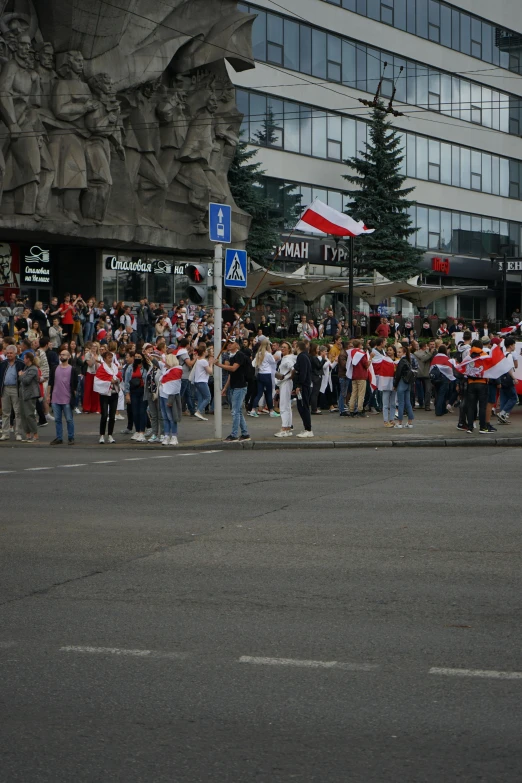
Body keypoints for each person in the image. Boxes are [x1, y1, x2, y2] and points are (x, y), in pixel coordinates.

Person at [215, 338, 251, 443]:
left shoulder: (239, 355)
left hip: (240, 386)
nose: (229, 345)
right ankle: (245, 433)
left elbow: (233, 368)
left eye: (232, 343)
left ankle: (234, 434)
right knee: (238, 411)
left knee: (235, 411)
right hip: (235, 386)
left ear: (237, 345)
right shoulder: (232, 357)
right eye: (228, 343)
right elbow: (231, 375)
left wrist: (219, 365)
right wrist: (225, 388)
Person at [48, 349, 78, 445]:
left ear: (69, 357)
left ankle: (71, 437)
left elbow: (75, 386)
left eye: (64, 355)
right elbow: (50, 383)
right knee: (57, 419)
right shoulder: (54, 368)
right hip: (56, 398)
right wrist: (48, 395)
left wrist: (74, 398)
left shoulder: (72, 369)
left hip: (67, 399)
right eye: (60, 355)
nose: (62, 356)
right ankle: (59, 437)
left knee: (69, 419)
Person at [94, 351, 122, 443]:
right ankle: (102, 435)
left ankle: (110, 434)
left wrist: (116, 380)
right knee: (104, 415)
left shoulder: (115, 367)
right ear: (105, 358)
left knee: (112, 415)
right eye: (109, 357)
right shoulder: (102, 368)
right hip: (105, 394)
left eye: (111, 357)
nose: (110, 359)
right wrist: (110, 381)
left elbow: (119, 377)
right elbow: (98, 380)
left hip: (114, 393)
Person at [464, 340, 489, 434]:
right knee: (482, 407)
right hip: (482, 382)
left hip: (471, 383)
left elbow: (464, 368)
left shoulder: (468, 356)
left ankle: (470, 427)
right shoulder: (485, 355)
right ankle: (482, 427)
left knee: (471, 406)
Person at [250, 337, 279, 419]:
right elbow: (273, 362)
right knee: (269, 393)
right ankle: (271, 411)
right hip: (267, 374)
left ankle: (253, 410)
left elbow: (253, 364)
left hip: (260, 374)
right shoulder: (268, 354)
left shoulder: (258, 354)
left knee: (259, 393)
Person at [0, 344, 24, 440]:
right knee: (5, 412)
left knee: (18, 412)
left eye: (11, 353)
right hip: (5, 388)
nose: (9, 355)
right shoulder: (2, 364)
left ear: (15, 353)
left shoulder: (21, 363)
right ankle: (5, 433)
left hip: (16, 389)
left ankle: (18, 433)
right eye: (8, 353)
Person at [273, 341, 296, 438]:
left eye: (284, 347)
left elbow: (293, 369)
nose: (282, 349)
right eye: (281, 347)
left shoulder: (287, 359)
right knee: (286, 406)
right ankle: (288, 427)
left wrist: (288, 377)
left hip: (285, 383)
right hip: (285, 383)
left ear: (289, 349)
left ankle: (284, 428)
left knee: (283, 406)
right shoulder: (287, 358)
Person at [159, 354, 182, 446]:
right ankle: (166, 435)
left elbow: (174, 388)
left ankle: (174, 436)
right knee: (165, 417)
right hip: (162, 395)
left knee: (171, 417)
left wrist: (170, 400)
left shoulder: (176, 371)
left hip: (169, 397)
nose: (165, 364)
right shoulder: (168, 370)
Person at [124, 353, 148, 442]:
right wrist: (127, 393)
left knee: (142, 411)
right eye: (136, 357)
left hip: (143, 392)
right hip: (133, 392)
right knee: (135, 412)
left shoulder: (145, 367)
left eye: (139, 357)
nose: (137, 359)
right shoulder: (130, 367)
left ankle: (142, 432)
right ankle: (137, 431)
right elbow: (126, 381)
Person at [18, 352, 41, 442]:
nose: (23, 359)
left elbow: (26, 381)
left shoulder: (33, 369)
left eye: (25, 358)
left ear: (28, 359)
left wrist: (21, 375)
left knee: (29, 414)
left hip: (30, 394)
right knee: (23, 415)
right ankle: (27, 434)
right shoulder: (26, 368)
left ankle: (35, 434)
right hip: (23, 394)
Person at [373, 344, 397, 427]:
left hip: (394, 384)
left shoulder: (397, 361)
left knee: (393, 403)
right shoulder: (384, 359)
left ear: (394, 351)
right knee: (386, 404)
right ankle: (385, 421)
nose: (389, 351)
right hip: (386, 384)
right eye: (388, 350)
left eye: (391, 350)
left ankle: (392, 419)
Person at [293, 340, 313, 438]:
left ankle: (308, 429)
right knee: (301, 407)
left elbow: (303, 373)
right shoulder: (303, 357)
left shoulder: (302, 357)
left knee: (303, 407)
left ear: (298, 347)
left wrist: (299, 386)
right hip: (303, 385)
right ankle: (306, 428)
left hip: (303, 386)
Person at [497, 337, 518, 424]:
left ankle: (502, 417)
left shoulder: (502, 354)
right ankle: (502, 413)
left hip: (502, 379)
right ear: (510, 346)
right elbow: (509, 369)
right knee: (514, 398)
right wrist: (514, 378)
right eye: (514, 345)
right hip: (508, 379)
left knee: (504, 398)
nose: (514, 347)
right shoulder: (509, 356)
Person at [393, 344, 414, 429]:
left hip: (402, 382)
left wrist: (395, 385)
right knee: (408, 402)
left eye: (399, 352)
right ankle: (409, 422)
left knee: (401, 403)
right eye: (397, 352)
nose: (398, 353)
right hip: (408, 383)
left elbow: (398, 374)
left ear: (404, 352)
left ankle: (400, 422)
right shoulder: (408, 360)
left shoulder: (402, 361)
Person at [348, 340, 369, 418]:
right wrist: (370, 360)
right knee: (361, 394)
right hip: (362, 375)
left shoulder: (351, 352)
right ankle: (360, 410)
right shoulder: (362, 354)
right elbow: (366, 365)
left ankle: (351, 410)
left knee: (354, 393)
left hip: (354, 375)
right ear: (360, 345)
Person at [193, 345, 214, 421]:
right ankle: (199, 411)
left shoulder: (198, 360)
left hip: (197, 381)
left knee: (200, 398)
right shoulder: (204, 361)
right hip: (202, 381)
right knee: (208, 397)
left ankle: (199, 412)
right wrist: (211, 364)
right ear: (203, 352)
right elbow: (210, 372)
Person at [414, 340, 435, 411]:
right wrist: (430, 353)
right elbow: (423, 358)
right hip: (421, 373)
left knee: (427, 390)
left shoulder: (429, 352)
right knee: (423, 390)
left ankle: (426, 405)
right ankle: (422, 404)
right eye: (428, 345)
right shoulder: (417, 353)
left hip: (426, 373)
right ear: (424, 347)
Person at [83, 342, 101, 413]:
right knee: (88, 390)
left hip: (97, 374)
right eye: (92, 346)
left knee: (96, 391)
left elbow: (98, 366)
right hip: (89, 373)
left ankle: (94, 408)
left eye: (95, 346)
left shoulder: (99, 355)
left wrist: (97, 361)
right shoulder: (87, 354)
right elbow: (90, 364)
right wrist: (93, 358)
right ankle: (87, 408)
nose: (94, 348)